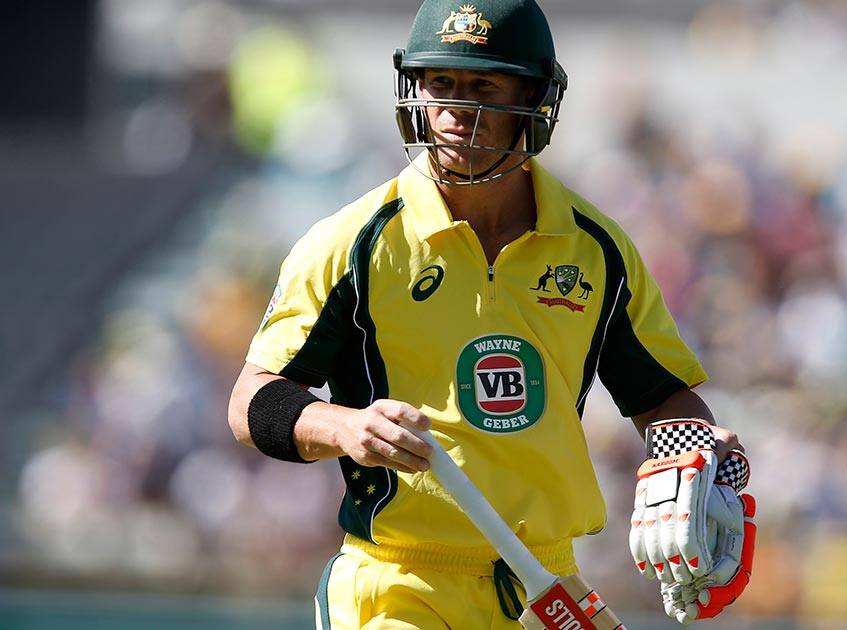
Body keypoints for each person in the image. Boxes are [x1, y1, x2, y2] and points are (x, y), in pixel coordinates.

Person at [228, 1, 753, 628]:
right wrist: (345, 427)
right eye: (440, 84)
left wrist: (693, 452)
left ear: (533, 99)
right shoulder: (353, 244)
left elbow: (660, 395)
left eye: (483, 86)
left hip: (545, 584)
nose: (454, 111)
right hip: (398, 582)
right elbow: (252, 401)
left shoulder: (596, 249)